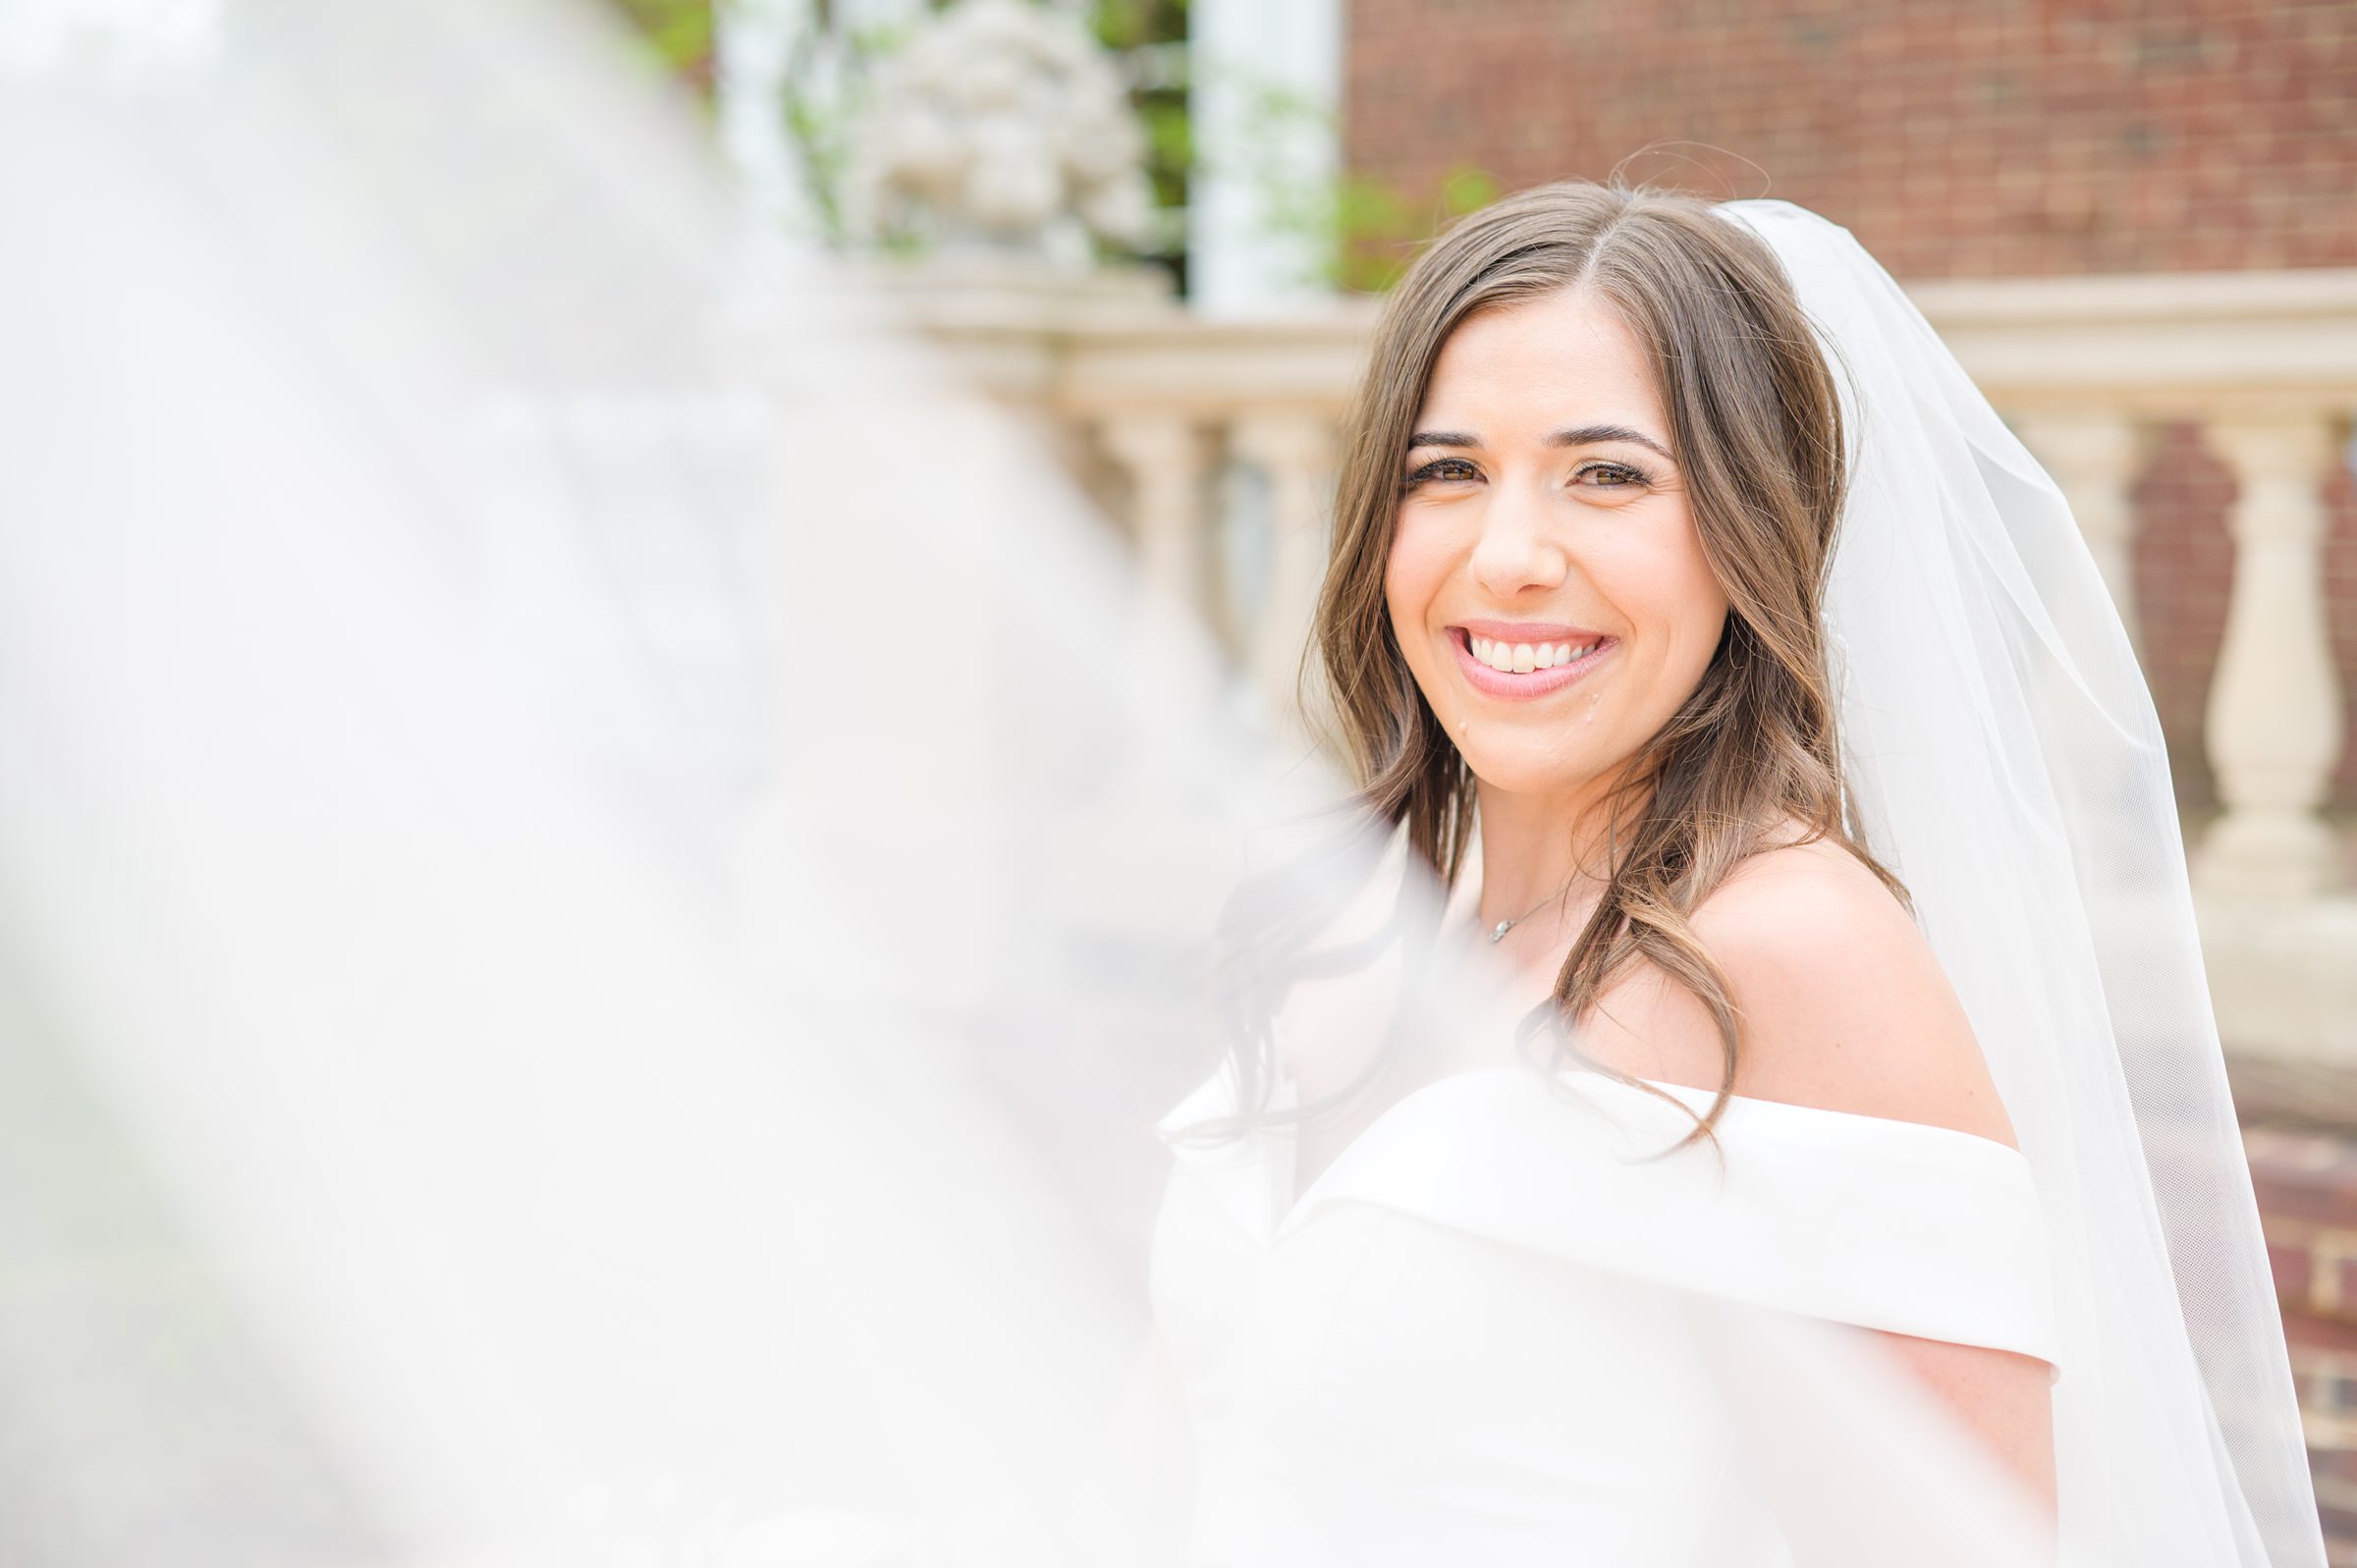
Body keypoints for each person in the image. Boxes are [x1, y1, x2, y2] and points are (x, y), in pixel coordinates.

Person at [1143, 181, 2323, 1567]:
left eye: (1610, 475)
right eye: (1444, 470)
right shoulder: (1349, 917)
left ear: (1750, 530)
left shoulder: (1789, 954)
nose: (1508, 554)